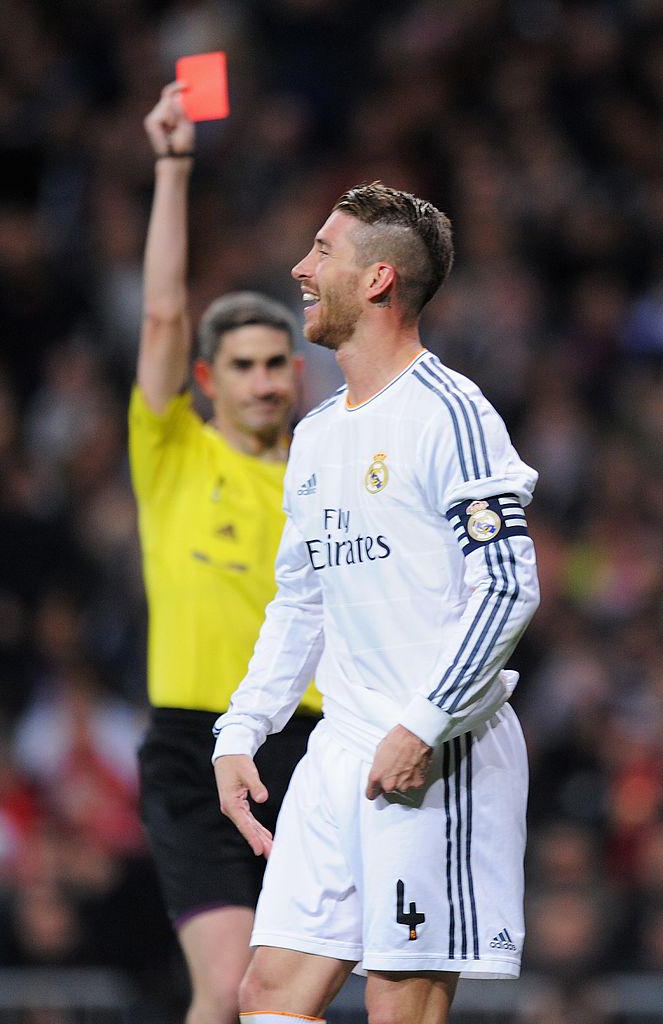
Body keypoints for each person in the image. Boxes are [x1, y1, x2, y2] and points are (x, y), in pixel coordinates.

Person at [213, 182, 541, 1024]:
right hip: (340, 751)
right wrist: (242, 729)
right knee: (268, 995)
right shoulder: (317, 434)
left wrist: (422, 724)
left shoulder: (450, 415)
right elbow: (301, 600)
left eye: (322, 251)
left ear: (378, 279)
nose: (300, 268)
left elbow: (508, 584)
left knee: (400, 1005)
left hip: (435, 754)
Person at [129, 83, 322, 1024]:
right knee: (227, 984)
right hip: (193, 739)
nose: (261, 381)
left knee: (294, 992)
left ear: (299, 371)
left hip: (313, 743)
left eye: (275, 363)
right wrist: (173, 167)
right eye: (241, 365)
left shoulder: (331, 470)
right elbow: (163, 314)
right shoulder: (175, 454)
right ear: (206, 378)